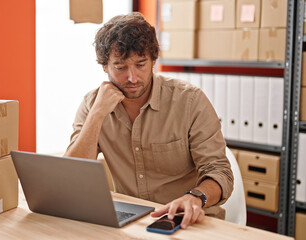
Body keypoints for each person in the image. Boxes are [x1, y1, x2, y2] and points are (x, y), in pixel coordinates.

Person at [64, 12, 233, 229]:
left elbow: (220, 171)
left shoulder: (190, 101)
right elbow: (73, 177)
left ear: (153, 61)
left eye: (141, 65)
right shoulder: (92, 104)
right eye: (120, 67)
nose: (132, 78)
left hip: (190, 222)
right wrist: (97, 115)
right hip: (134, 224)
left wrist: (195, 196)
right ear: (104, 66)